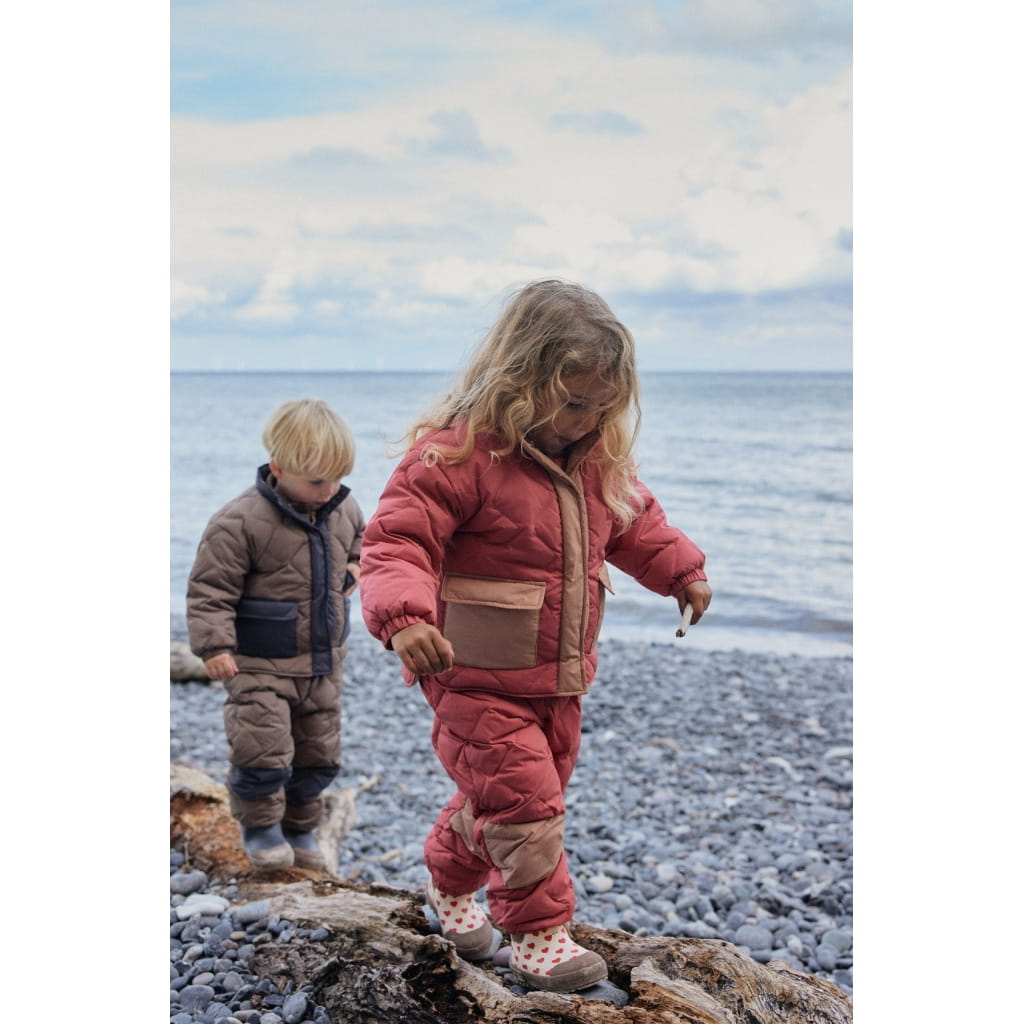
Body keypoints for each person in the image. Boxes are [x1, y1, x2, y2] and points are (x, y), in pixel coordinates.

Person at [358, 279, 711, 992]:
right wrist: (405, 619)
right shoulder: (456, 456)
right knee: (527, 802)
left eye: (602, 406)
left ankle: (448, 882)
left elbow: (636, 522)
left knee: (504, 796)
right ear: (519, 380)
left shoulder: (596, 461)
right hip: (468, 671)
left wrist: (682, 571)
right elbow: (396, 543)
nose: (587, 420)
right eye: (573, 403)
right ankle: (539, 938)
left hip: (559, 675)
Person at [187, 398, 365, 871]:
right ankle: (262, 827)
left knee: (318, 753)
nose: (330, 491)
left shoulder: (343, 508)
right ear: (279, 468)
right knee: (261, 749)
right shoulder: (238, 521)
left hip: (323, 660)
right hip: (258, 661)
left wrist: (354, 565)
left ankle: (300, 827)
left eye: (338, 479)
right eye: (317, 481)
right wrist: (215, 646)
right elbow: (210, 589)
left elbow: (363, 540)